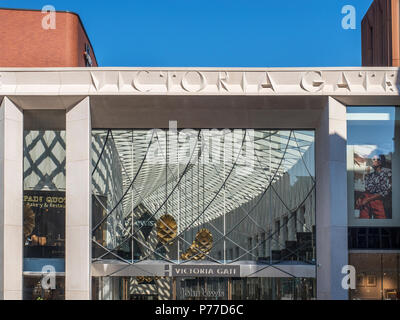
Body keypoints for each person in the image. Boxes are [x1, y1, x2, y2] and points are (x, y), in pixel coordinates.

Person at [356, 154, 392, 219]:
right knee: (364, 220)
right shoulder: (370, 174)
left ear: (382, 161)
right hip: (367, 200)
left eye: (378, 159)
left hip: (380, 200)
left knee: (381, 222)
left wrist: (368, 199)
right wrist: (361, 197)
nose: (375, 161)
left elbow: (385, 192)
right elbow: (367, 189)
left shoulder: (387, 172)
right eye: (374, 159)